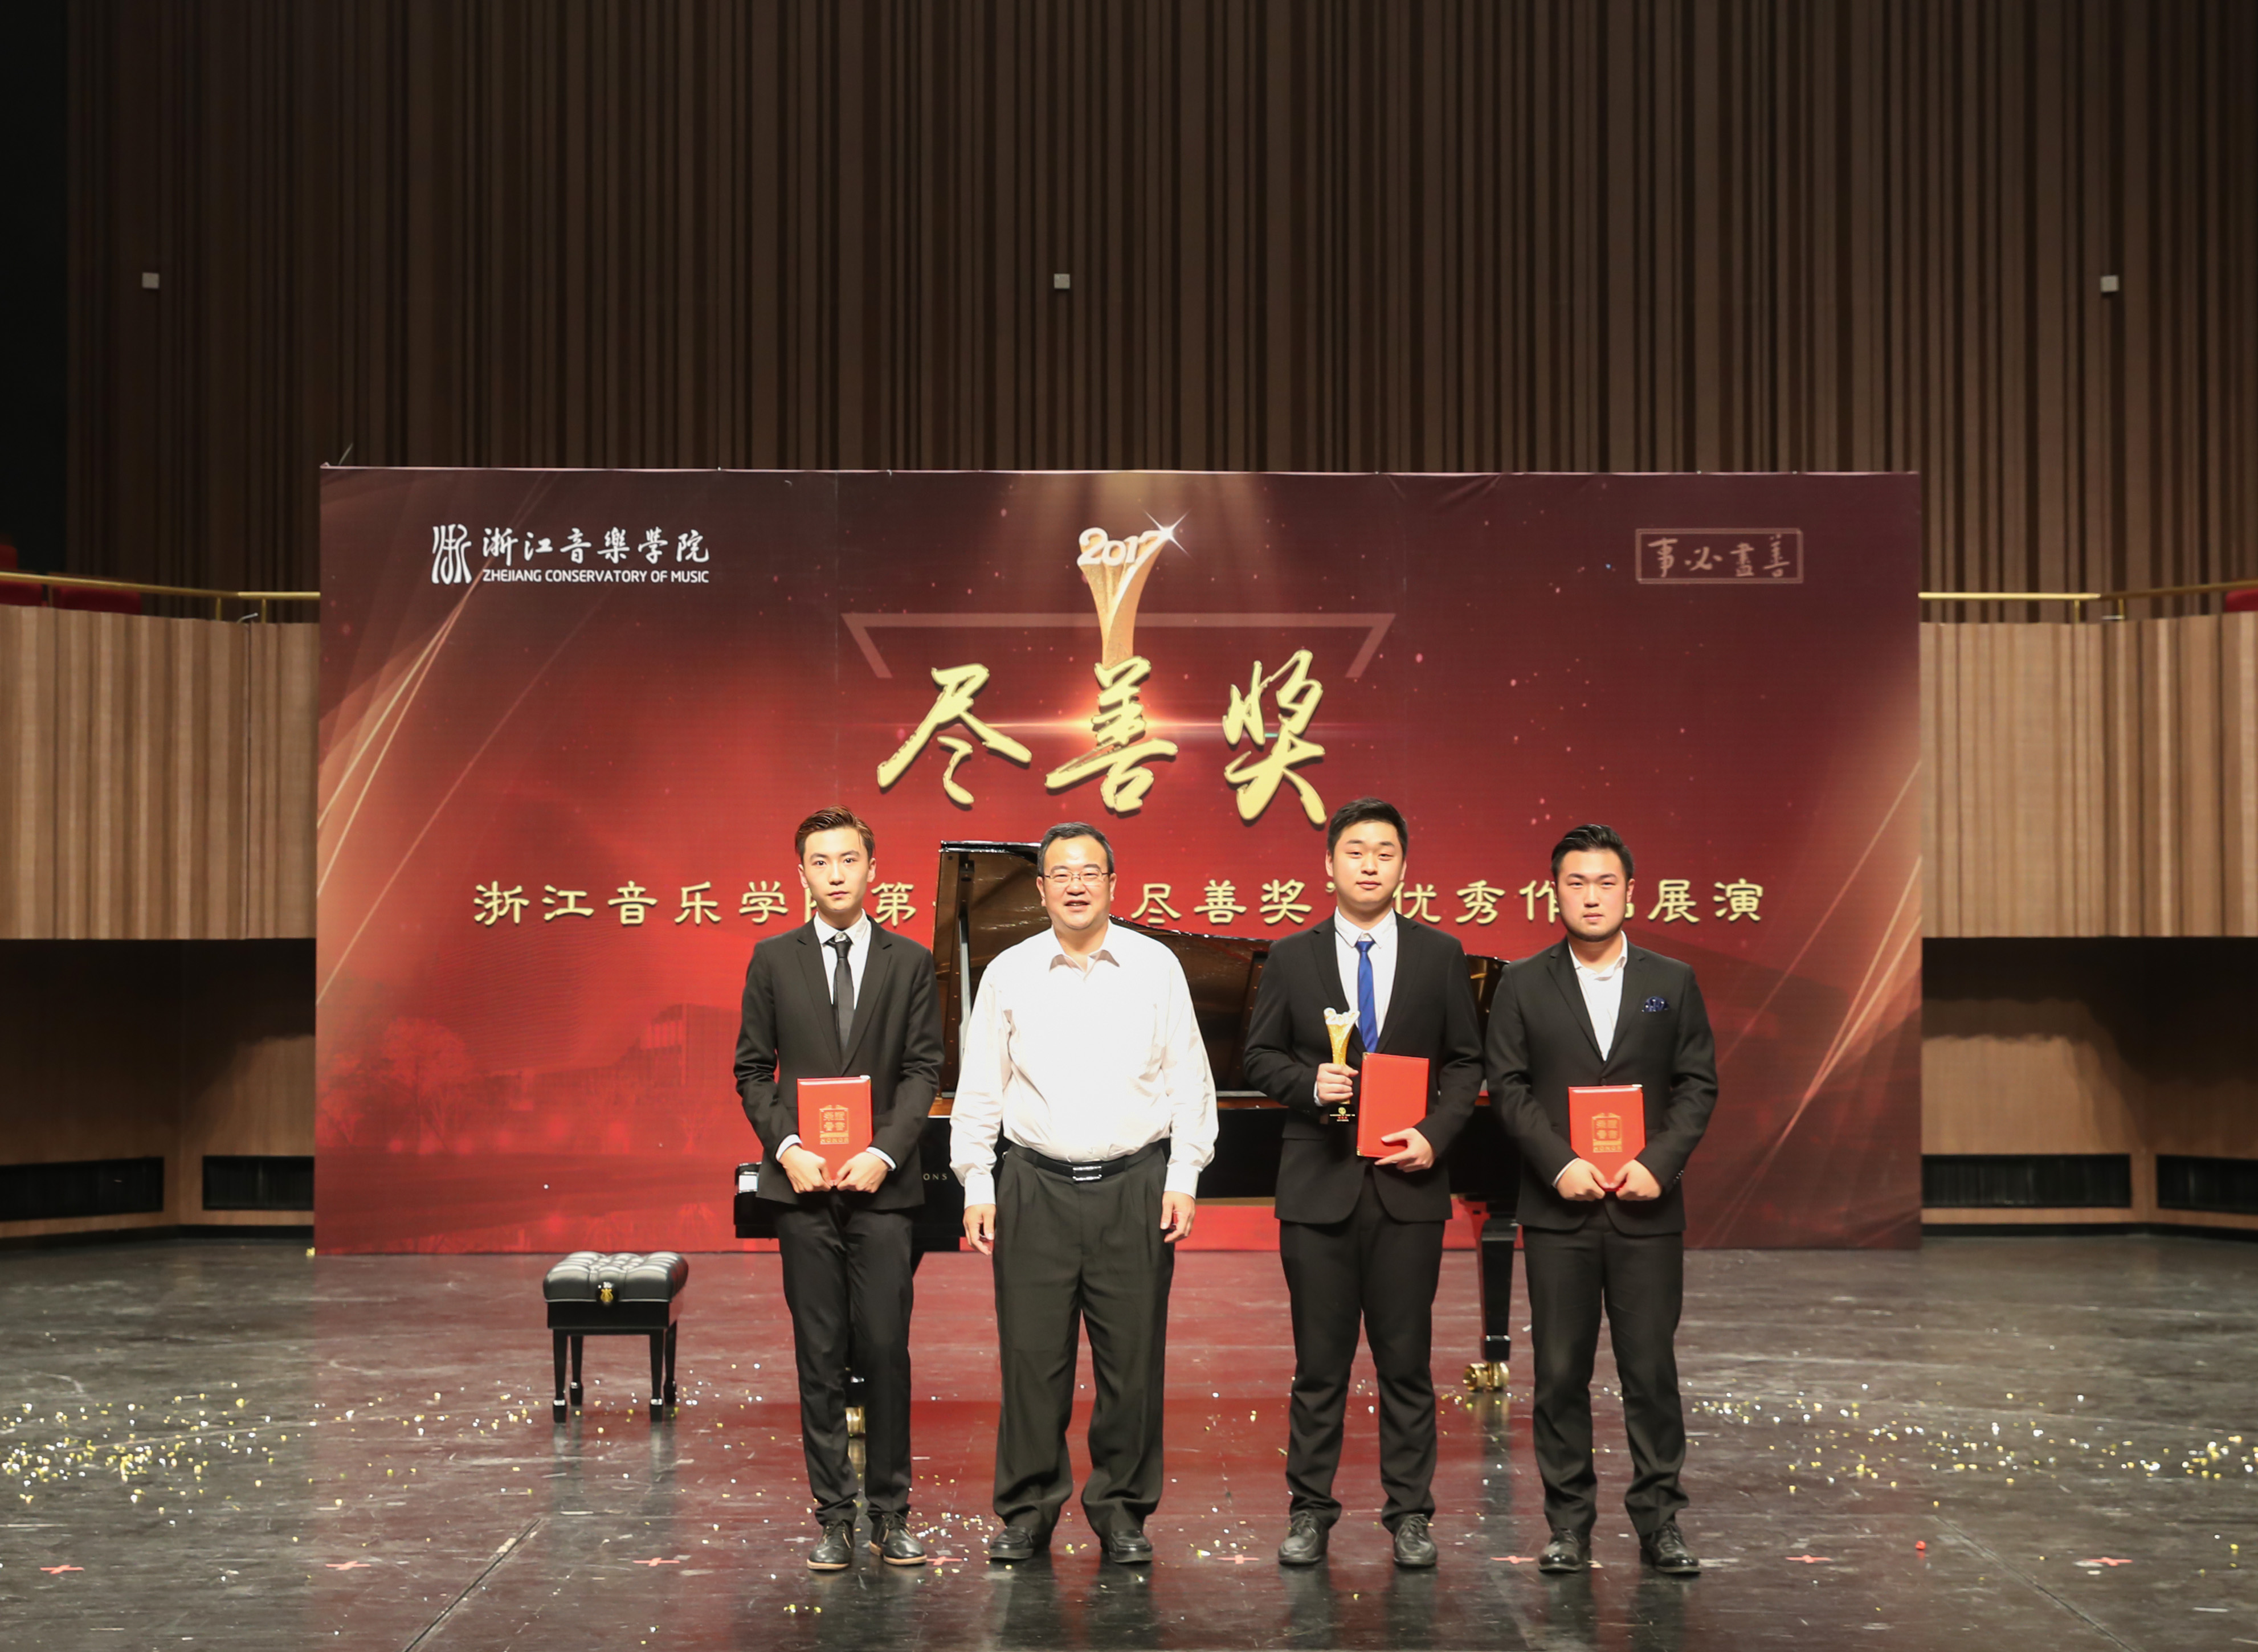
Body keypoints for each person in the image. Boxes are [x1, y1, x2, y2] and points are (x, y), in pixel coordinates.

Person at [949, 821, 1218, 1565]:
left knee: (1133, 1363)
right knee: (1031, 1361)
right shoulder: (1008, 973)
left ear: (1112, 884)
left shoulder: (1156, 967)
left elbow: (1190, 1080)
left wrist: (1184, 1175)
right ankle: (1027, 1511)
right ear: (1040, 889)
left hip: (1135, 1187)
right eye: (1061, 874)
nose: (1076, 885)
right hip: (1033, 1185)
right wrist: (977, 1179)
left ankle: (1123, 1511)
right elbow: (981, 1088)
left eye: (1090, 872)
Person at [1242, 796, 1483, 1569]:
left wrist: (1435, 1134)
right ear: (1329, 865)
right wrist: (1309, 1084)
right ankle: (1310, 1511)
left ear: (1404, 866)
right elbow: (1258, 1056)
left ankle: (1410, 1515)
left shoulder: (1441, 954)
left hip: (1407, 1187)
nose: (1369, 865)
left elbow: (1467, 1061)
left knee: (1406, 1363)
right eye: (1355, 851)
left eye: (1384, 852)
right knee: (1319, 1366)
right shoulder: (1292, 955)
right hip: (1318, 1187)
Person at [1484, 823, 1718, 1577]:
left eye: (1606, 883)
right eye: (1577, 883)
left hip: (1647, 1209)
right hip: (1561, 1210)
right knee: (1560, 1373)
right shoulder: (1523, 982)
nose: (1591, 896)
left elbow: (1697, 1084)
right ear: (1554, 892)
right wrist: (1559, 1165)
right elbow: (1508, 1087)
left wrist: (1660, 1163)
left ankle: (1661, 1521)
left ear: (1630, 893)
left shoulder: (1671, 980)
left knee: (1650, 1372)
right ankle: (1568, 1525)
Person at [734, 806, 944, 1571]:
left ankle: (891, 1513)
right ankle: (834, 1516)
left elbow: (923, 1069)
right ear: (801, 874)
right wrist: (787, 1148)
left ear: (872, 869)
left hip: (882, 1189)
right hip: (803, 1190)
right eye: (820, 862)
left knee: (886, 1349)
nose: (835, 874)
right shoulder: (772, 959)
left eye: (848, 859)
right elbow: (753, 1070)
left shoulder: (910, 960)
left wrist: (885, 1152)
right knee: (818, 1353)